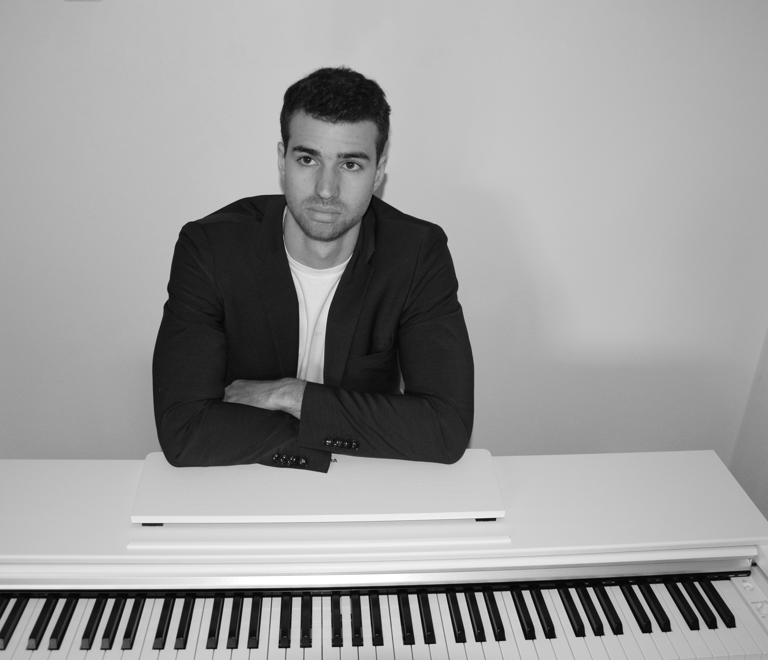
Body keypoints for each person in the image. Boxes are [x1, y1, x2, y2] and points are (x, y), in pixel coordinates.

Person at [152, 67, 474, 473]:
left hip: (365, 494)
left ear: (380, 170)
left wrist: (293, 396)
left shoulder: (416, 255)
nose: (326, 189)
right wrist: (354, 429)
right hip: (238, 486)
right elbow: (184, 434)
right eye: (308, 159)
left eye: (350, 165)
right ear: (282, 161)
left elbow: (446, 430)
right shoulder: (211, 250)